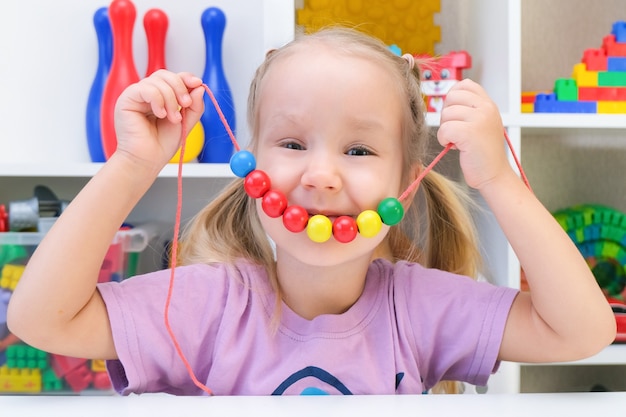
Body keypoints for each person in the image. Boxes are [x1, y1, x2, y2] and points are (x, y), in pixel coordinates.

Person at [7, 27, 615, 396]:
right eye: (293, 144)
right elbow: (42, 322)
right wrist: (132, 166)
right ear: (251, 163)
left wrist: (499, 181)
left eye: (358, 149)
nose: (321, 176)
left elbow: (583, 331)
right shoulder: (211, 306)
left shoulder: (421, 308)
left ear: (407, 182)